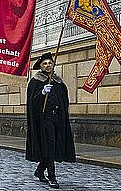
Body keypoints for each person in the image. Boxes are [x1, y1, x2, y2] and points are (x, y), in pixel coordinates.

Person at [25, 52, 76, 189]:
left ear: (53, 65)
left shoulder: (58, 82)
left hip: (57, 118)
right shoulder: (36, 81)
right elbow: (32, 102)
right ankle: (52, 177)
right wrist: (41, 93)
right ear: (41, 66)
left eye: (50, 63)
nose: (48, 65)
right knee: (50, 145)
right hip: (44, 118)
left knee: (53, 146)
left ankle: (40, 170)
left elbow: (64, 99)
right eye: (45, 64)